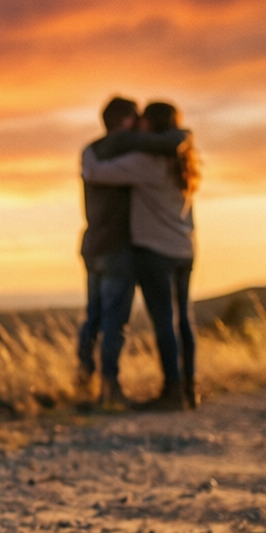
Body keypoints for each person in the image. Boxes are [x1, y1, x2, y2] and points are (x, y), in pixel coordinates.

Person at [81, 101, 200, 411]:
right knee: (184, 320)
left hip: (156, 252)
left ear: (151, 125)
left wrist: (89, 155)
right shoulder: (184, 161)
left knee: (164, 323)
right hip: (185, 249)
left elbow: (95, 173)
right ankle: (189, 387)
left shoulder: (145, 163)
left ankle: (171, 391)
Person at [76, 97, 140, 408]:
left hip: (92, 242)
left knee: (94, 316)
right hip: (118, 245)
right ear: (126, 119)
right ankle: (110, 387)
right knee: (116, 320)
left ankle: (83, 379)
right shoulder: (131, 148)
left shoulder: (91, 151)